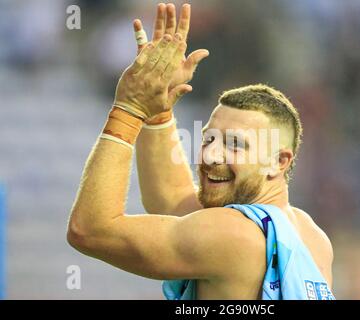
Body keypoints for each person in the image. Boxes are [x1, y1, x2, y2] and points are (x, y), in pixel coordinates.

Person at [67, 3, 334, 300]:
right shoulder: (312, 238)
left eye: (235, 144)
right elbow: (172, 199)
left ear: (279, 161)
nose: (210, 156)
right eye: (208, 140)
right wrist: (157, 111)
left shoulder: (232, 235)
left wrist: (129, 109)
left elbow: (89, 230)